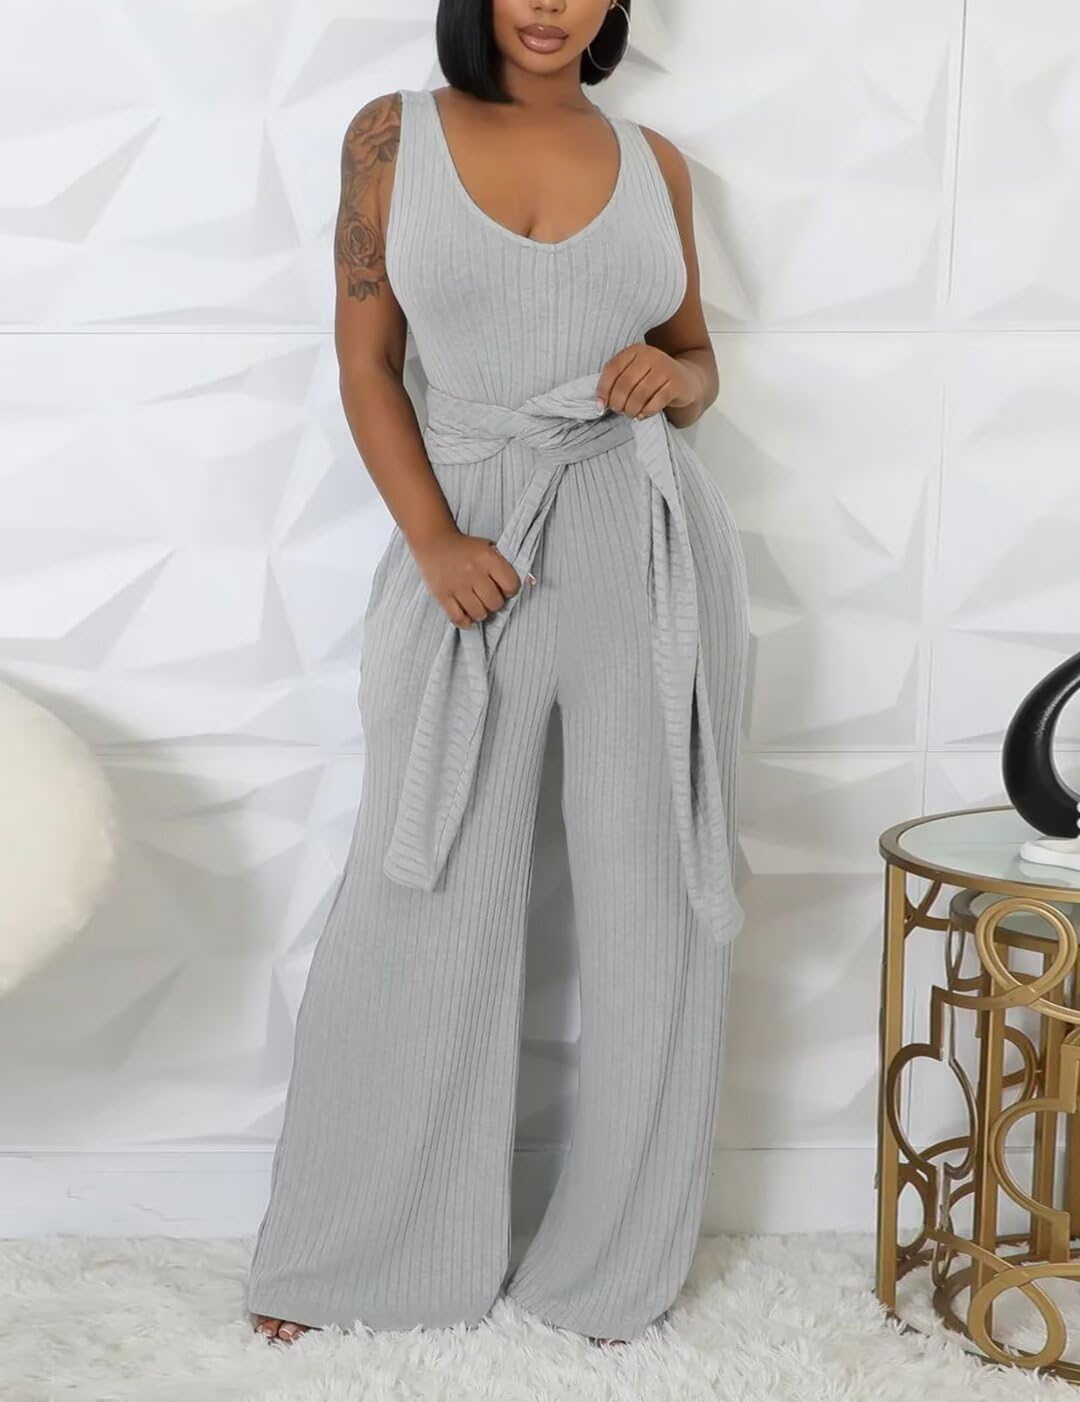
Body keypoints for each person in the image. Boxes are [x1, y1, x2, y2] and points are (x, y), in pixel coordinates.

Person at [246, 0, 750, 1349]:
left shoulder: (655, 164)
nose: (546, 4)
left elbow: (700, 359)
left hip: (642, 533)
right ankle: (358, 1255)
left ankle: (614, 1270)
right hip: (467, 532)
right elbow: (367, 363)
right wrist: (432, 538)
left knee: (656, 895)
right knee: (423, 883)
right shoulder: (390, 137)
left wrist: (675, 377)